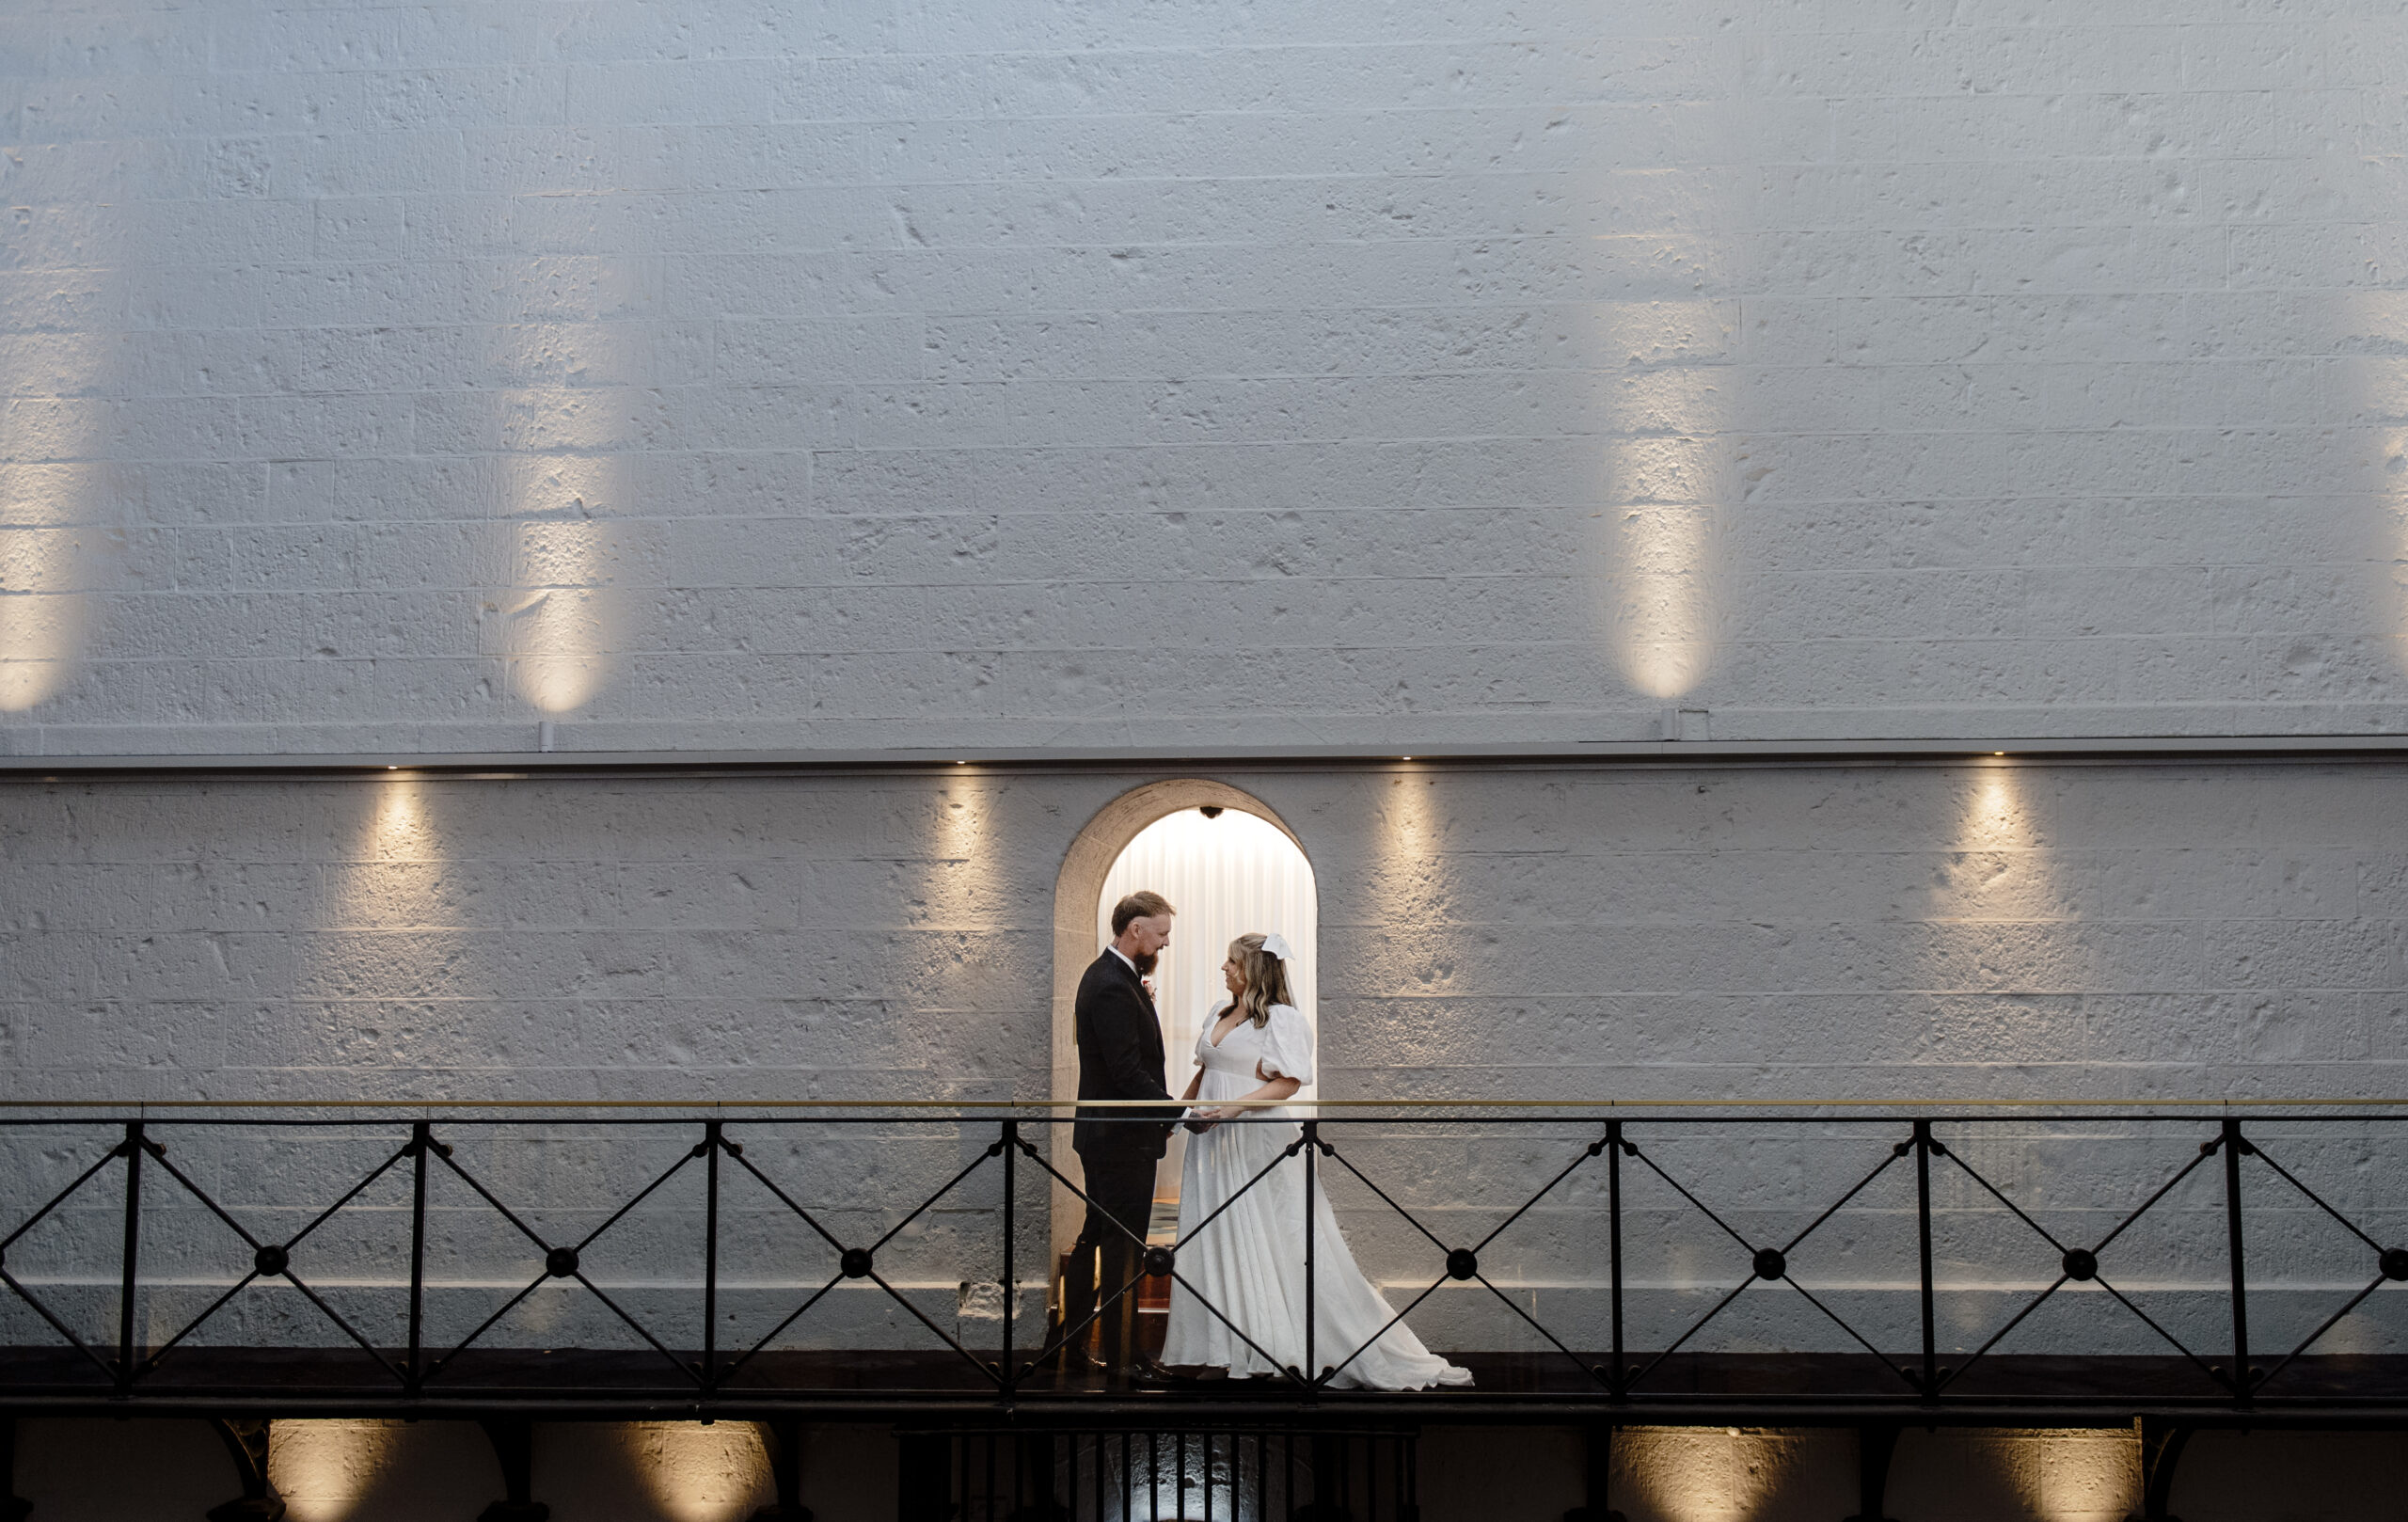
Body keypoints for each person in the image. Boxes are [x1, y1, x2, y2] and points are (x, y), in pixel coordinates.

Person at [1160, 933, 1471, 1390]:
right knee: (1215, 1233)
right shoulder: (1219, 1013)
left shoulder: (1282, 1020)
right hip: (1210, 1140)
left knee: (1270, 1232)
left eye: (1232, 961)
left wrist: (1232, 1108)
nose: (1223, 968)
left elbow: (1287, 1084)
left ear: (1255, 970)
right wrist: (1178, 1115)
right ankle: (1221, 1349)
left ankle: (1271, 1345)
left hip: (1255, 1138)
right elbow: (1206, 1072)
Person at [1062, 889, 1180, 1375]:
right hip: (1118, 1139)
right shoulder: (1111, 983)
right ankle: (1122, 1355)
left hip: (1110, 1136)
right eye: (1162, 933)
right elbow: (1127, 1072)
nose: (1165, 943)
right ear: (1136, 930)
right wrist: (1179, 1114)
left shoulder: (1116, 976)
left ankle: (1070, 1345)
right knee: (1122, 1244)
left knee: (1097, 1233)